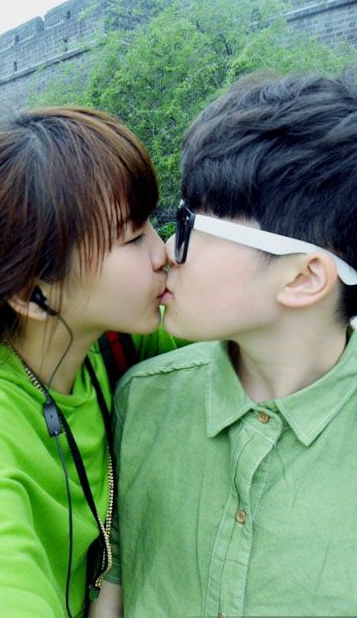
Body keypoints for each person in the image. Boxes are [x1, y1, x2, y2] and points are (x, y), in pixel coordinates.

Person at [0, 107, 182, 618]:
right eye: (133, 238)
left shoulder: (108, 338)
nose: (165, 252)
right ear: (31, 292)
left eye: (153, 226)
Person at [90, 71, 357, 617]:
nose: (168, 251)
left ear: (304, 277)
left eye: (189, 226)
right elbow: (114, 589)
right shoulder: (145, 400)